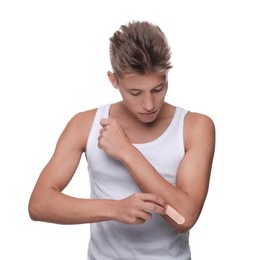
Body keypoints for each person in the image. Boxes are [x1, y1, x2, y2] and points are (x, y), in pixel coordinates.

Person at [28, 20, 215, 260]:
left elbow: (185, 217)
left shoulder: (195, 127)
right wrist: (115, 209)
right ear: (114, 80)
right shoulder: (84, 124)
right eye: (135, 93)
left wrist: (127, 152)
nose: (149, 105)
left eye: (158, 89)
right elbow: (39, 204)